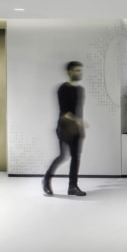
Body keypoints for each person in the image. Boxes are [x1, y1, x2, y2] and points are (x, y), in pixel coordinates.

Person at [42, 61, 87, 196]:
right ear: (70, 72)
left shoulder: (80, 89)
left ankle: (72, 186)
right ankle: (46, 179)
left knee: (75, 157)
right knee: (62, 156)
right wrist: (78, 120)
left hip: (77, 129)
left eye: (80, 70)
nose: (79, 73)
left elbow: (78, 110)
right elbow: (64, 112)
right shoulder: (63, 89)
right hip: (64, 128)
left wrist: (80, 125)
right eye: (76, 70)